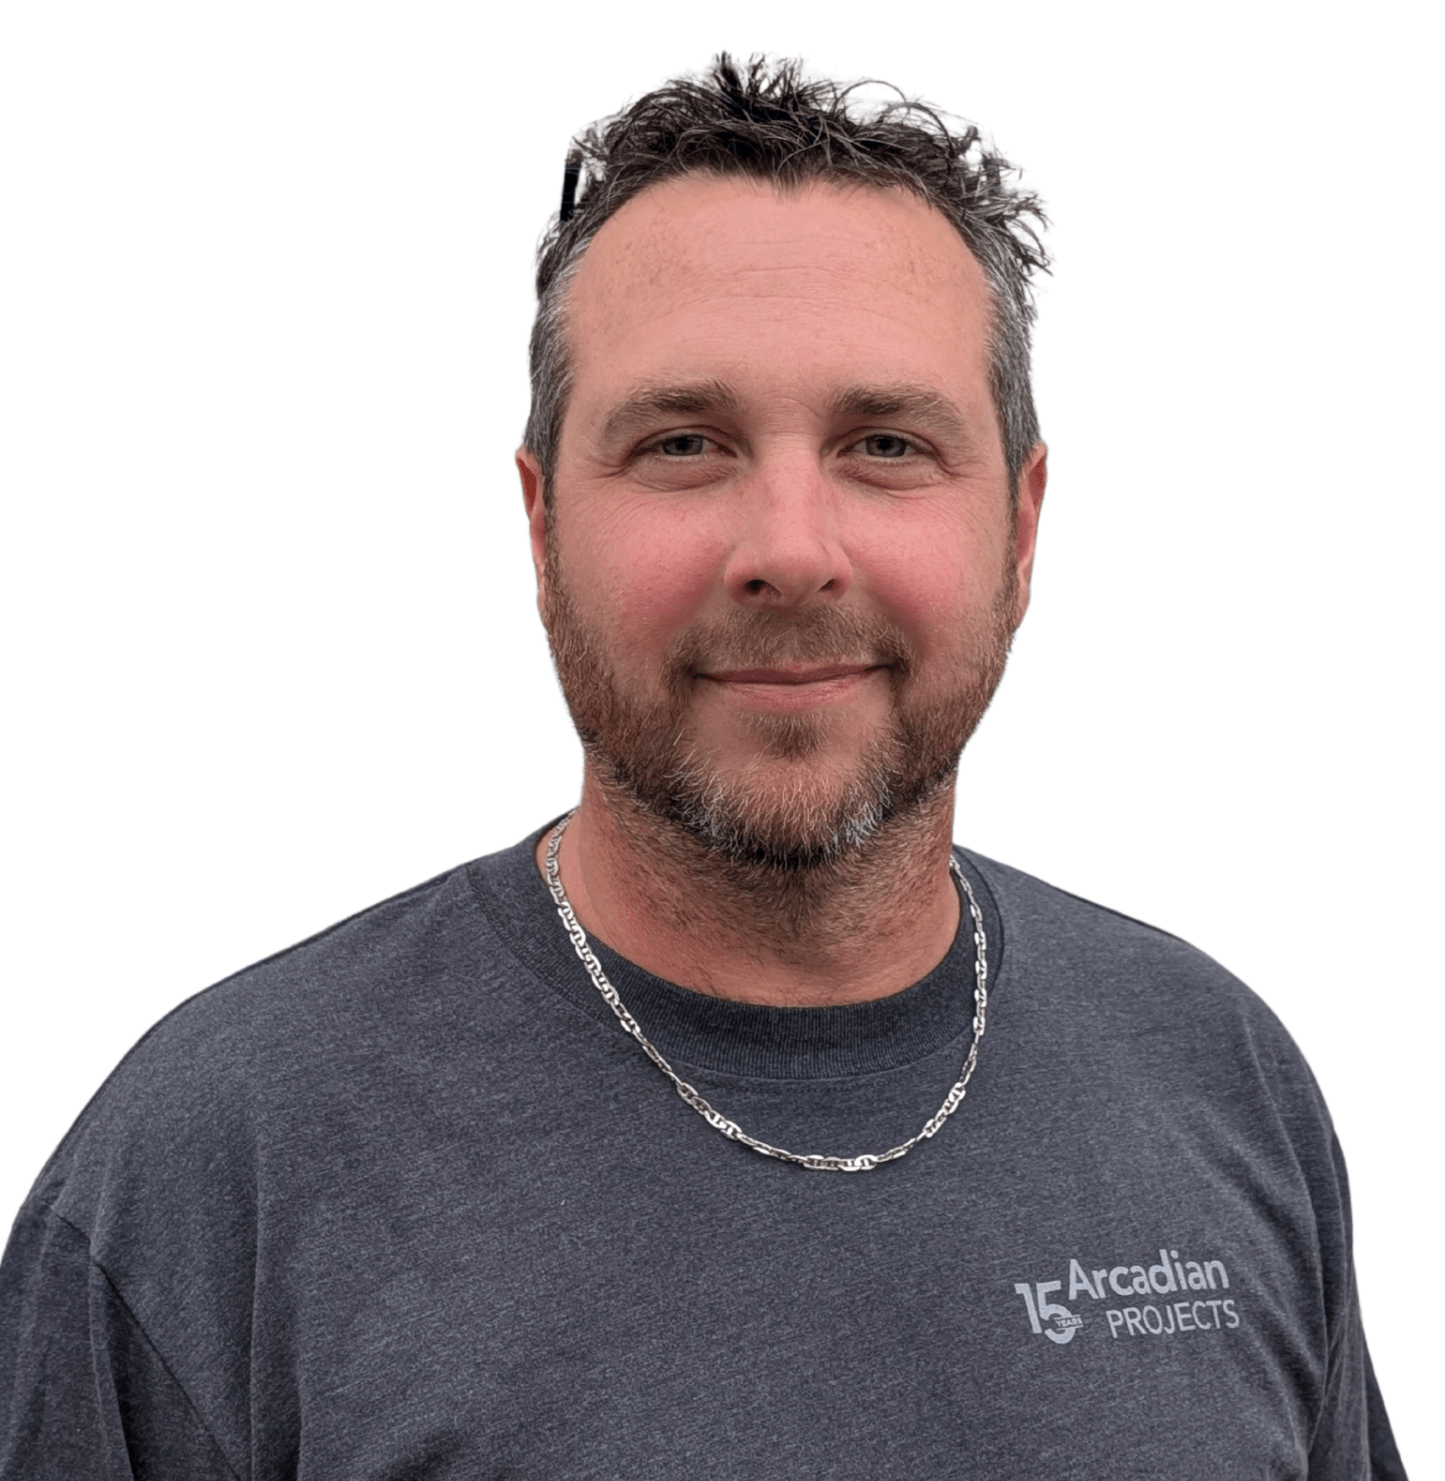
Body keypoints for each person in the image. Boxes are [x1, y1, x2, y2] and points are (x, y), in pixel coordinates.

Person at [0, 54, 1406, 1479]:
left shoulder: (1220, 1085)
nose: (789, 551)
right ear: (543, 529)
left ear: (1022, 526)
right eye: (683, 443)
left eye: (885, 444)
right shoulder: (206, 1181)